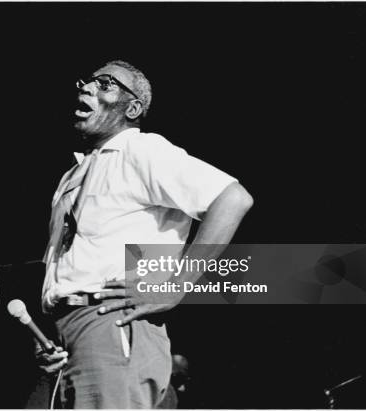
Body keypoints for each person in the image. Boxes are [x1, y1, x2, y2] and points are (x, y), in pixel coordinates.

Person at [37, 60, 253, 409]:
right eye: (85, 82)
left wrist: (174, 286)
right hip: (67, 336)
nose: (86, 88)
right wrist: (50, 335)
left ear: (133, 107)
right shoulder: (71, 177)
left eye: (104, 84)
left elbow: (232, 198)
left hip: (110, 322)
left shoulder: (141, 150)